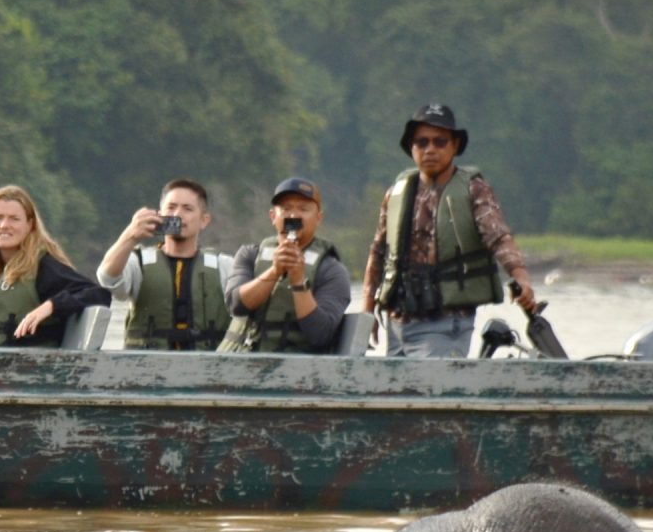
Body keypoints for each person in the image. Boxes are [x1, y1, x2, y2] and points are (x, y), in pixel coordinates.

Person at [361, 103, 538, 358]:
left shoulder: (473, 190)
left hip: (445, 323)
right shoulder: (397, 192)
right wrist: (368, 310)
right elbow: (378, 252)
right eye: (422, 142)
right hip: (397, 323)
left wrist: (521, 276)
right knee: (398, 386)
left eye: (440, 142)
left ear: (455, 146)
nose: (430, 149)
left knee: (431, 384)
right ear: (411, 147)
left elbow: (499, 238)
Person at [0, 185, 110, 349]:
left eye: (14, 219)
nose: (4, 225)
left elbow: (98, 294)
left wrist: (50, 306)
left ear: (29, 225)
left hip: (28, 367)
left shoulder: (44, 267)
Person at [96, 178, 233, 351]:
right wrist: (130, 236)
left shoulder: (224, 266)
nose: (177, 215)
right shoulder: (138, 262)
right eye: (171, 207)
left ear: (204, 220)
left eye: (187, 209)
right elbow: (107, 279)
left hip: (207, 365)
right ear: (160, 216)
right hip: (147, 365)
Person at [222, 177, 352, 354]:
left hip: (292, 366)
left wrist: (298, 282)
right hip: (240, 360)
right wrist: (274, 272)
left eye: (303, 209)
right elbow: (235, 305)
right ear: (273, 216)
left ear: (318, 218)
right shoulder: (249, 255)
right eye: (286, 209)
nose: (293, 216)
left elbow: (320, 334)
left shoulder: (332, 270)